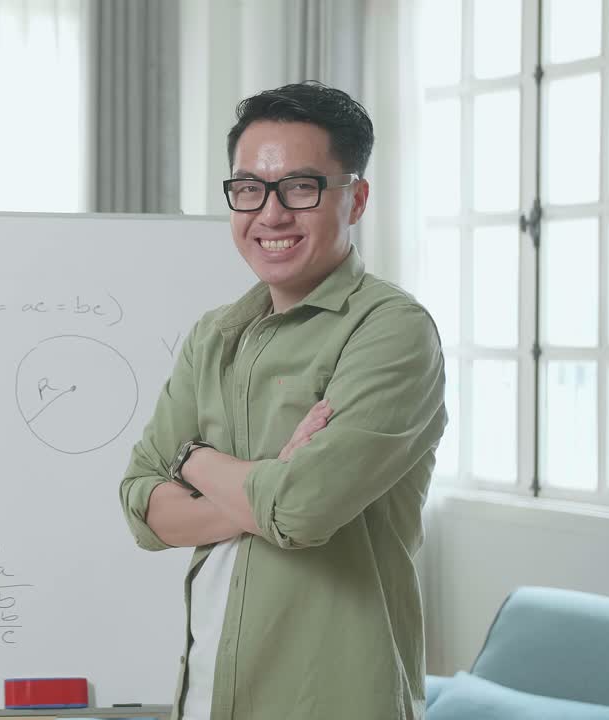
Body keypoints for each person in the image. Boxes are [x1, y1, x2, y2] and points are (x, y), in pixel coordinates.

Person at [118, 81, 447, 720]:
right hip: (208, 698)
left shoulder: (392, 331)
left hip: (332, 698)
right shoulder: (214, 335)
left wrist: (188, 460)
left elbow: (301, 511)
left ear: (356, 199)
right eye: (249, 188)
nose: (270, 214)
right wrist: (263, 490)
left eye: (302, 187)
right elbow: (142, 508)